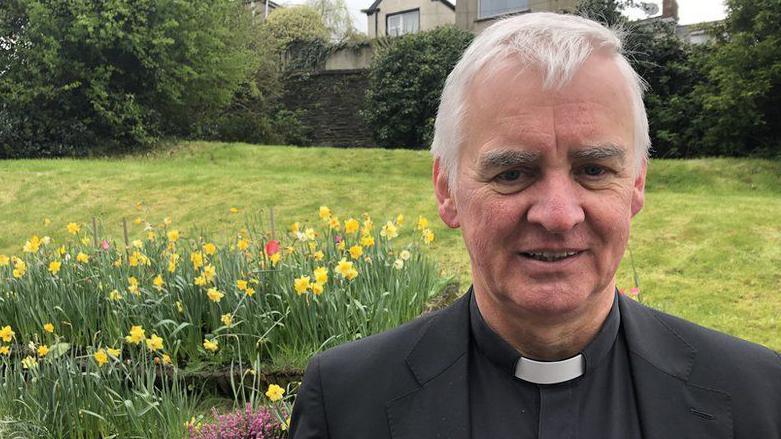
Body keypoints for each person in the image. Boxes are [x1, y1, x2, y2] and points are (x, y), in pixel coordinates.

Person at [290, 12, 781, 439]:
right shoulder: (347, 402)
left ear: (635, 185)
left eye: (593, 170)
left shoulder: (757, 396)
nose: (559, 214)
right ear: (447, 190)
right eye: (512, 173)